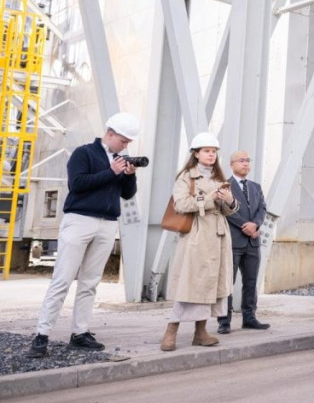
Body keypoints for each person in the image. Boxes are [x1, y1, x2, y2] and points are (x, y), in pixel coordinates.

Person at [26, 113, 141, 359]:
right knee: (62, 279)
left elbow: (127, 194)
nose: (125, 146)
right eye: (123, 140)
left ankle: (80, 333)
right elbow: (77, 184)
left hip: (107, 223)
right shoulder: (84, 153)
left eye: (128, 142)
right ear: (109, 134)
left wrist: (129, 175)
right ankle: (41, 335)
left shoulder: (120, 160)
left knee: (90, 282)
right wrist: (111, 172)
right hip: (79, 220)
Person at [160, 132, 239, 351]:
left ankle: (201, 331)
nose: (211, 155)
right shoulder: (186, 177)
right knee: (190, 283)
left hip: (218, 235)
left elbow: (228, 211)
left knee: (211, 285)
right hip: (197, 235)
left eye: (214, 151)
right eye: (206, 151)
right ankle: (171, 330)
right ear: (196, 154)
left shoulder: (219, 178)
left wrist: (229, 200)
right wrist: (209, 198)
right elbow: (180, 204)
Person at [216, 150, 270, 334]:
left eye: (248, 160)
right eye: (241, 161)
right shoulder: (225, 186)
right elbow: (225, 210)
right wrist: (245, 226)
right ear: (231, 164)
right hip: (233, 241)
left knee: (251, 281)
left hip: (252, 242)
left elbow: (262, 209)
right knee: (227, 283)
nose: (246, 164)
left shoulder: (256, 187)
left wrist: (255, 224)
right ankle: (224, 321)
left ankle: (249, 317)